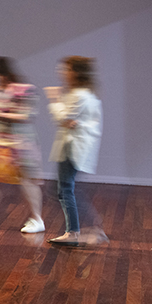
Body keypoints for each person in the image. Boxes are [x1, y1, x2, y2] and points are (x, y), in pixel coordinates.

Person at [0, 56, 44, 233]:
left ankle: (37, 218)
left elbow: (26, 116)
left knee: (27, 181)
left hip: (20, 145)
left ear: (3, 74)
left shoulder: (24, 90)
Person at [45, 56, 103, 246]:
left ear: (75, 72)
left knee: (65, 190)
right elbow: (68, 120)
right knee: (64, 190)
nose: (62, 73)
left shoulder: (80, 95)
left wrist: (54, 100)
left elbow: (63, 117)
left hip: (72, 149)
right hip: (73, 148)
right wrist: (68, 119)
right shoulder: (86, 94)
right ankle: (87, 227)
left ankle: (75, 231)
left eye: (66, 69)